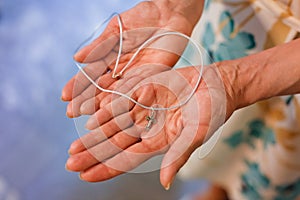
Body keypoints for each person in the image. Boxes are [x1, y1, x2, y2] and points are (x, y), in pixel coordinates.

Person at [61, 0, 300, 199]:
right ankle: (218, 189)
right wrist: (173, 5)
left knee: (275, 154)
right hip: (244, 15)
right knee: (225, 140)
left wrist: (234, 81)